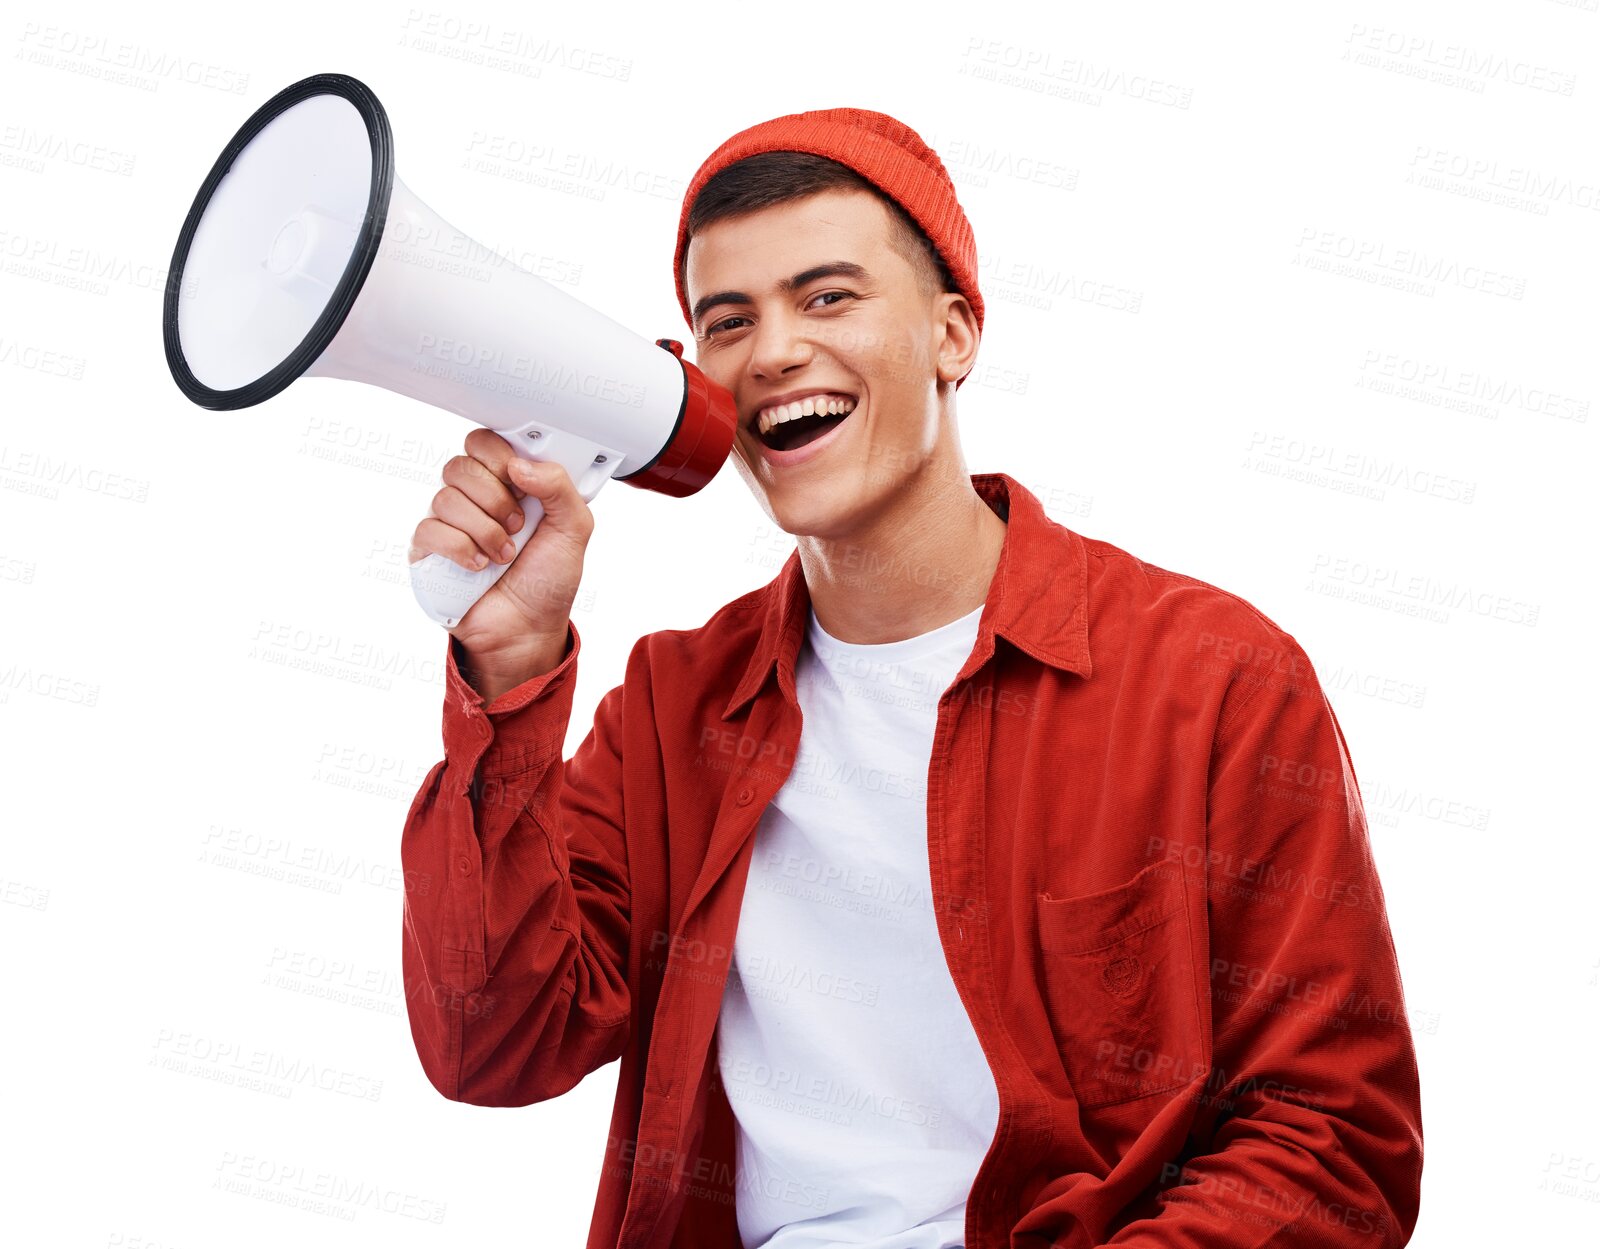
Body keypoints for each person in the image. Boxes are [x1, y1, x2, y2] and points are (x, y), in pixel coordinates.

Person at [400, 108, 1424, 1249]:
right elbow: (491, 1044)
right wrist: (511, 669)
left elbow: (1332, 1140)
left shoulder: (1214, 680)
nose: (773, 350)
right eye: (725, 321)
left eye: (827, 296)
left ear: (953, 334)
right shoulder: (669, 707)